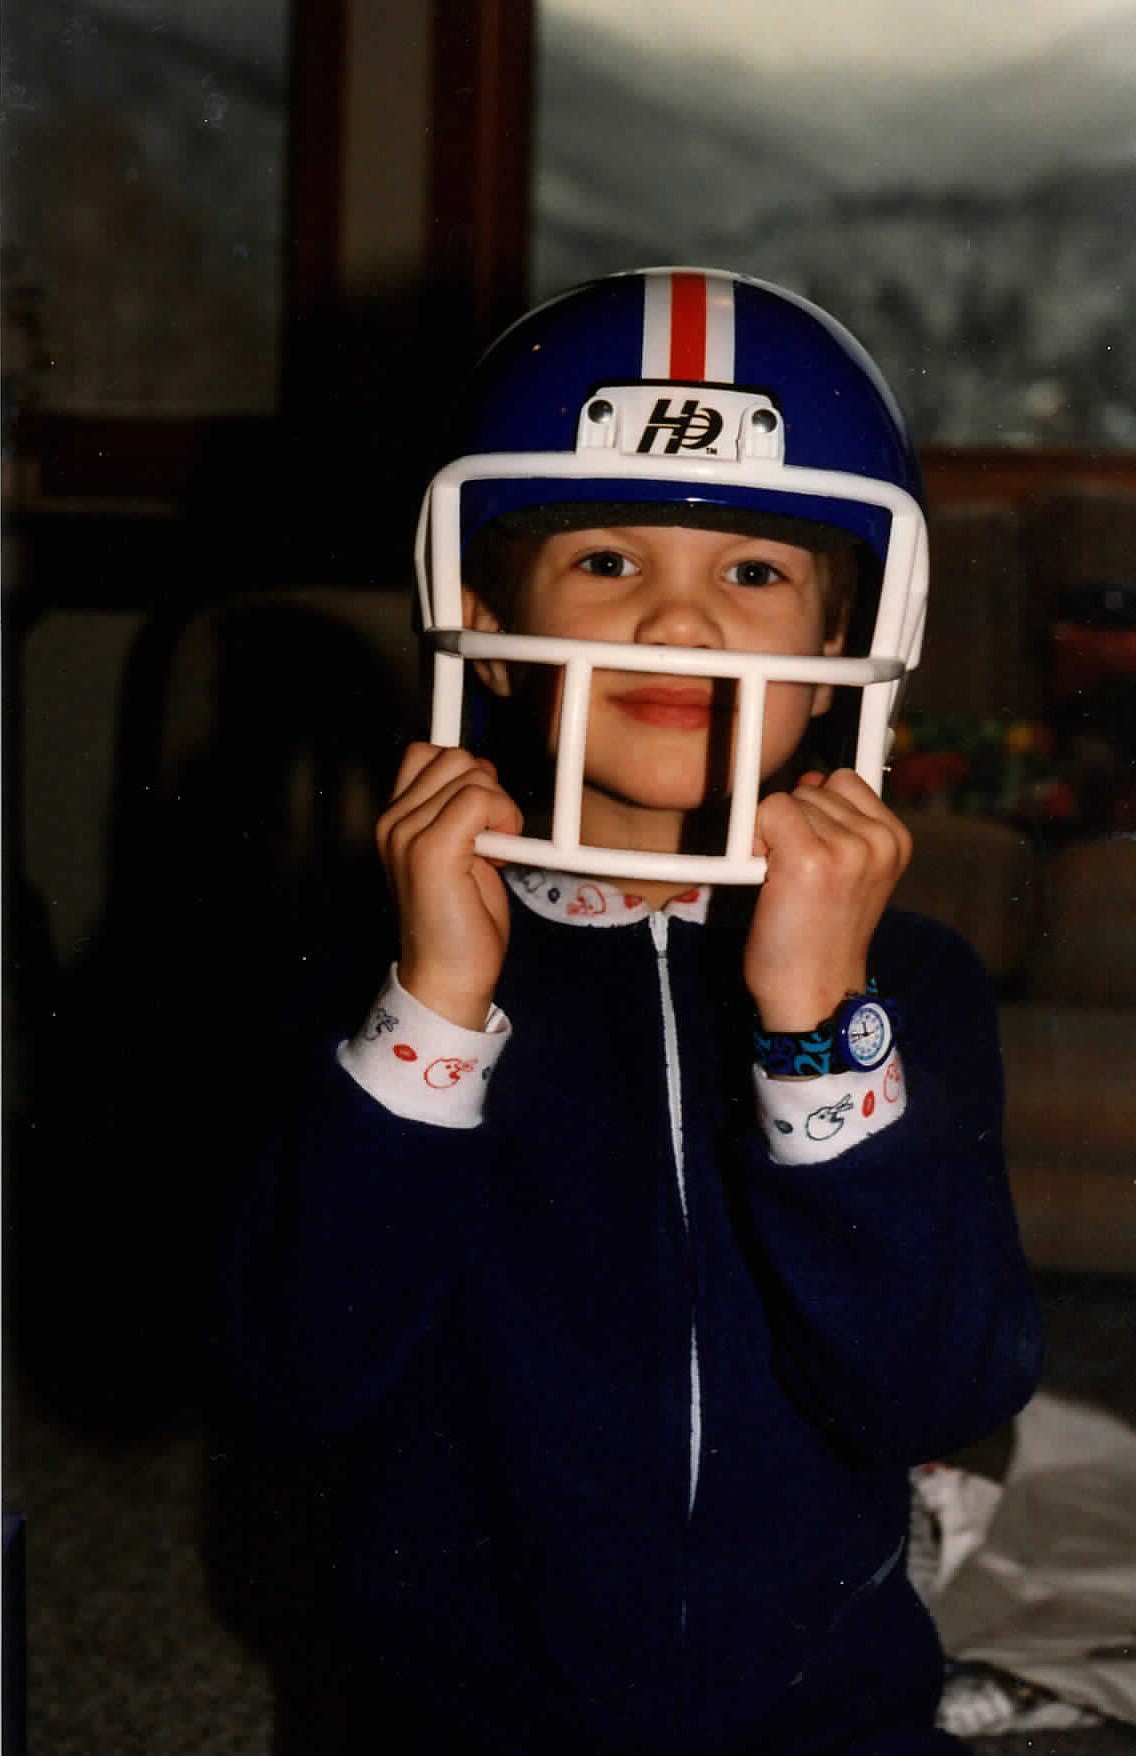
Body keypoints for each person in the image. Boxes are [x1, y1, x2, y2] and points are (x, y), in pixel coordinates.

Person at [220, 268, 1042, 1756]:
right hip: (466, 1715)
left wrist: (815, 1030)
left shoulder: (903, 984)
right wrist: (437, 1013)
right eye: (606, 558)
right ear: (482, 610)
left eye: (753, 573)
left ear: (850, 628)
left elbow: (941, 1386)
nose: (677, 624)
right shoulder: (380, 972)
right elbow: (293, 1378)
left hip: (824, 1712)